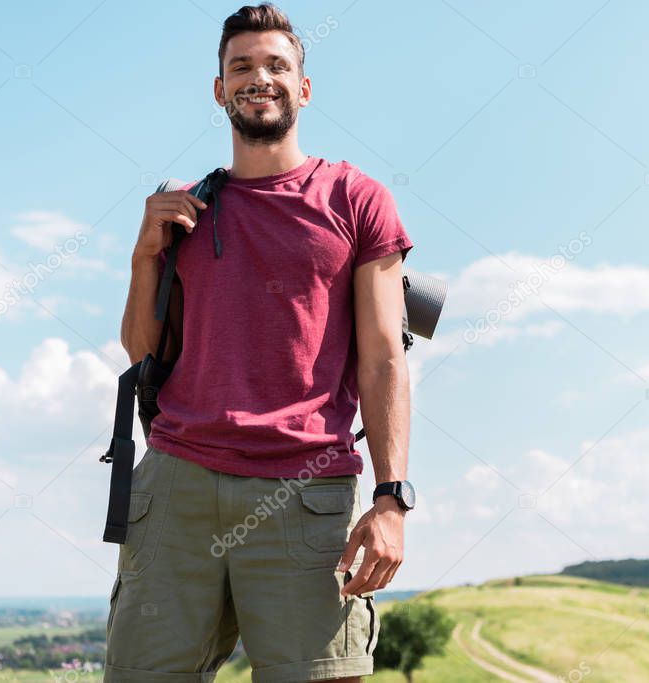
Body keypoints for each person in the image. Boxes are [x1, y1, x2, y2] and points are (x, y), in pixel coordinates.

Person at [107, 4, 415, 681]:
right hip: (177, 484)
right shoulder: (185, 208)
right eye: (240, 66)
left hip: (305, 490)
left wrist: (390, 497)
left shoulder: (357, 199)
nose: (259, 77)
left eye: (277, 65)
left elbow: (383, 356)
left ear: (303, 88)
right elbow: (140, 353)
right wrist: (143, 255)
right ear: (219, 89)